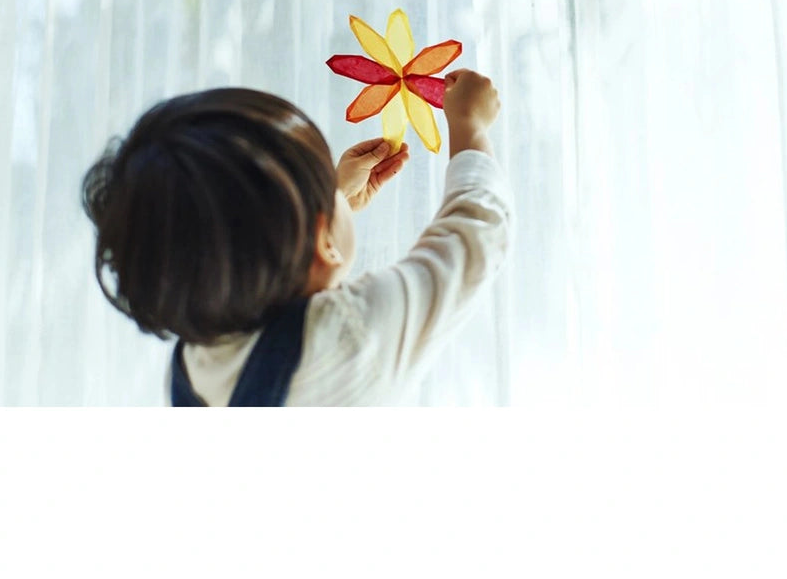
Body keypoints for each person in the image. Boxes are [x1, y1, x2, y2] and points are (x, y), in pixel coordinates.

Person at [81, 69, 512, 405]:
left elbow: (246, 242)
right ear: (323, 245)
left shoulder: (196, 359)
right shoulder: (350, 337)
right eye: (326, 185)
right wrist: (470, 126)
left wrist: (331, 204)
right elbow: (476, 235)